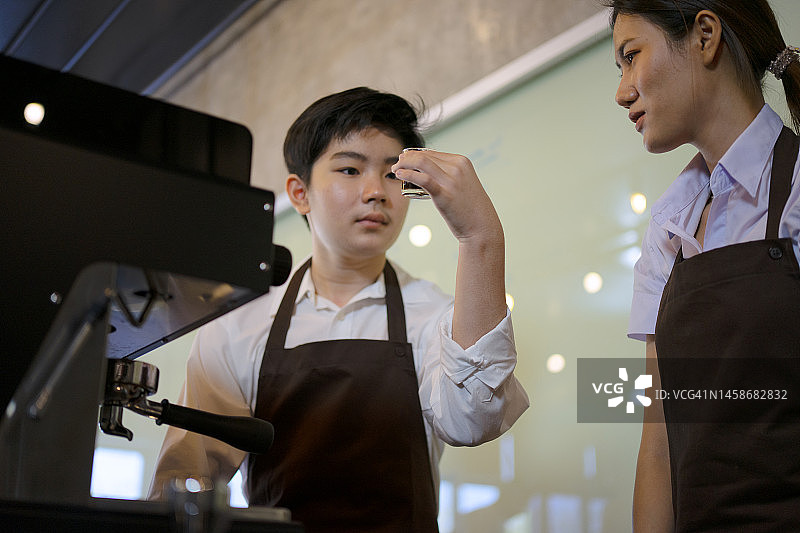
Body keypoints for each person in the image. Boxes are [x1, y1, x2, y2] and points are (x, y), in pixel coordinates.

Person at [148, 87, 529, 532]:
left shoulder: (435, 315)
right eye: (350, 169)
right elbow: (185, 480)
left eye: (392, 174)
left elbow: (473, 422)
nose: (376, 192)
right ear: (300, 193)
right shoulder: (238, 324)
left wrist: (480, 237)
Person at [607, 0, 800, 531]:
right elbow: (658, 442)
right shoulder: (669, 226)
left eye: (631, 56)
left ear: (705, 35)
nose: (622, 91)